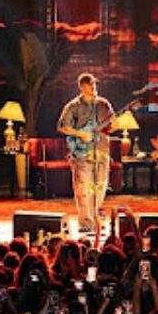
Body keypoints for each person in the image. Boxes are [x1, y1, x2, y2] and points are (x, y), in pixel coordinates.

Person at [57, 73, 115, 233]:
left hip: (101, 151)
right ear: (82, 86)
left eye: (94, 84)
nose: (93, 87)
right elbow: (62, 126)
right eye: (90, 84)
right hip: (82, 153)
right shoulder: (73, 106)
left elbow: (111, 125)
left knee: (100, 186)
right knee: (83, 188)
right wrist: (81, 134)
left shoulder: (104, 104)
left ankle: (95, 218)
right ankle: (85, 222)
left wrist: (112, 126)